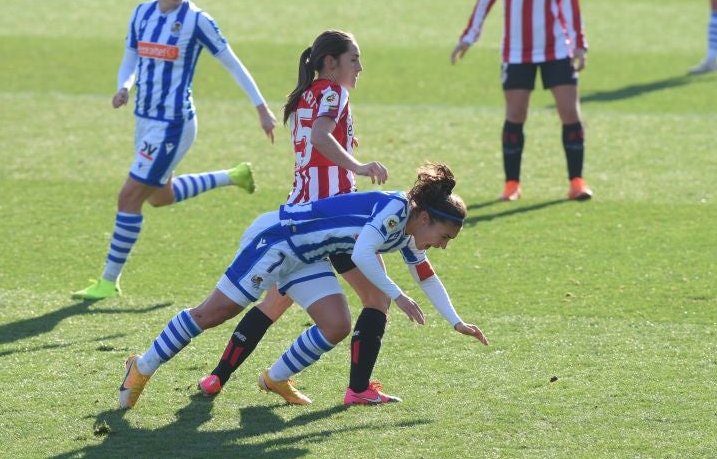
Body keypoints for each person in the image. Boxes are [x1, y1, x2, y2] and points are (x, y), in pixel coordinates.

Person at [118, 163, 489, 409]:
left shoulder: (409, 231)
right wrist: (398, 296)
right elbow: (361, 255)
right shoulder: (395, 212)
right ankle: (142, 365)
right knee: (215, 312)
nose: (442, 245)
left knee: (336, 325)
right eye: (443, 236)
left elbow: (426, 275)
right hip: (278, 239)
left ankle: (275, 378)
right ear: (425, 218)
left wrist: (456, 321)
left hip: (306, 255)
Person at [194, 30, 400, 406]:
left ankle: (217, 378)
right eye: (354, 59)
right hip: (333, 220)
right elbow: (322, 137)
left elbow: (317, 142)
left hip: (296, 216)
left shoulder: (304, 95)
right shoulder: (335, 93)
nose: (360, 67)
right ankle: (356, 389)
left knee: (274, 303)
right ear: (330, 63)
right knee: (377, 299)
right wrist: (359, 165)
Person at [73, 0, 278, 300]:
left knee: (129, 197)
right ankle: (233, 176)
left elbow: (232, 63)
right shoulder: (141, 15)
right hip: (144, 120)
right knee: (159, 197)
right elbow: (131, 59)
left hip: (173, 124)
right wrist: (124, 86)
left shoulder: (197, 20)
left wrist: (261, 107)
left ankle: (108, 281)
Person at [451, 0, 592, 203]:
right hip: (516, 51)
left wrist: (579, 44)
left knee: (570, 112)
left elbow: (572, 1)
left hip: (557, 48)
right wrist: (468, 37)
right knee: (515, 115)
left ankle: (576, 182)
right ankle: (512, 184)